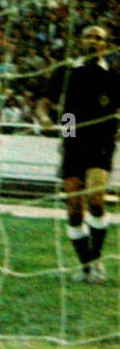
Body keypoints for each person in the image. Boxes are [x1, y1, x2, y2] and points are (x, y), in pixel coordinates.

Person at [33, 25, 119, 283]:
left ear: (106, 45)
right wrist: (44, 117)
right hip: (71, 131)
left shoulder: (114, 76)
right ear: (80, 41)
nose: (93, 41)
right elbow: (45, 102)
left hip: (102, 138)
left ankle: (96, 260)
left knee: (95, 198)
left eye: (99, 38)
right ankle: (86, 266)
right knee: (73, 208)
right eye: (89, 36)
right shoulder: (66, 71)